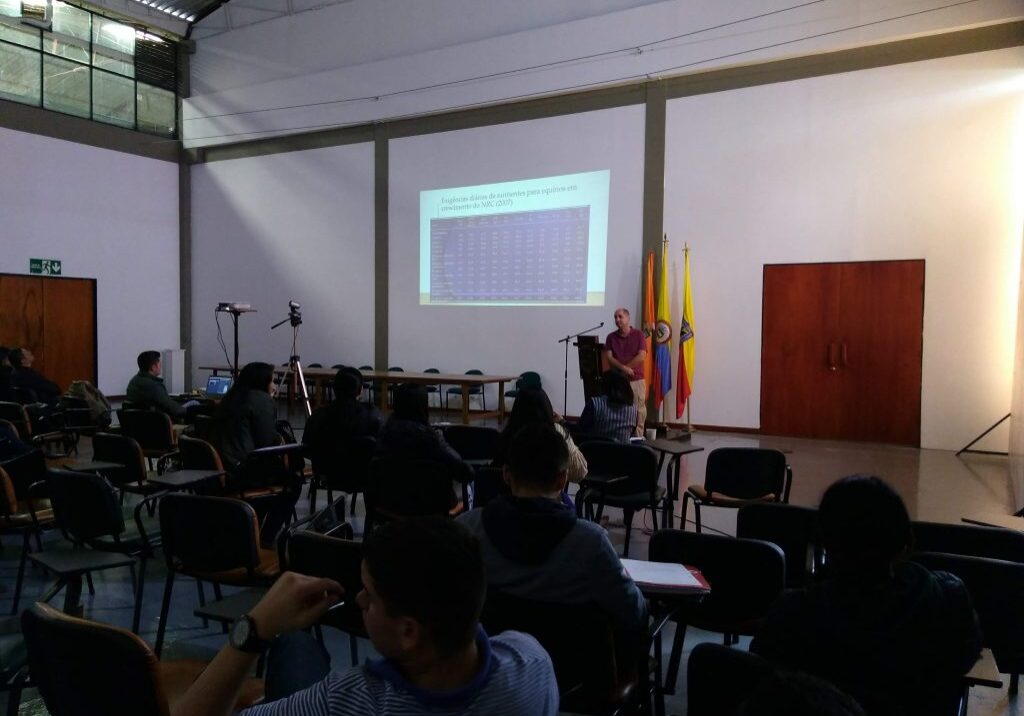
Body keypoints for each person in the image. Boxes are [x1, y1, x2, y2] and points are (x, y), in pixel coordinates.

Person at [172, 517, 559, 716]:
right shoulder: (532, 662)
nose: (358, 599)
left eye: (370, 597)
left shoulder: (347, 701)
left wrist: (254, 629)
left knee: (292, 644)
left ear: (409, 632)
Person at [751, 475, 982, 716]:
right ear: (904, 542)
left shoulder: (792, 614)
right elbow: (964, 660)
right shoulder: (949, 600)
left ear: (826, 544)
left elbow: (766, 679)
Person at [459, 423, 647, 640]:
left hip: (495, 663)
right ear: (562, 479)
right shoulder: (592, 544)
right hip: (573, 671)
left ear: (506, 475)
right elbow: (635, 613)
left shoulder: (467, 530)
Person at [214, 361, 299, 546]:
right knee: (293, 482)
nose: (275, 385)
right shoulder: (261, 400)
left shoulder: (229, 398)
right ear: (262, 383)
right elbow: (267, 441)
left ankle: (251, 526)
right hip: (242, 469)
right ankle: (266, 538)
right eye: (273, 381)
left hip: (220, 467)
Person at [494, 387, 587, 485]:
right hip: (547, 494)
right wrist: (567, 436)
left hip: (508, 496)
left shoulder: (508, 433)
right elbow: (580, 472)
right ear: (548, 408)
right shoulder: (557, 431)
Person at [302, 366, 383, 455]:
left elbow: (306, 449)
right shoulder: (372, 415)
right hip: (362, 468)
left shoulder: (317, 416)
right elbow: (382, 448)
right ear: (360, 391)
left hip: (326, 468)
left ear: (334, 389)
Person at [603, 308, 647, 437]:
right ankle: (621, 437)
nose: (617, 320)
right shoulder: (611, 337)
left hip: (636, 380)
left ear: (628, 318)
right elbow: (610, 358)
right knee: (618, 410)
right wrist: (624, 369)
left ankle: (638, 439)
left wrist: (626, 368)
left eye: (620, 317)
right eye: (615, 317)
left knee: (638, 411)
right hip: (617, 381)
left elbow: (642, 355)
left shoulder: (638, 334)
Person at [577, 370, 638, 444]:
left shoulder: (594, 404)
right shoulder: (634, 410)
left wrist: (563, 422)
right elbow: (631, 433)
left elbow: (581, 432)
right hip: (624, 454)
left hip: (596, 453)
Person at [125, 350, 187, 420]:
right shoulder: (154, 386)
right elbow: (174, 409)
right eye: (159, 364)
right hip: (159, 423)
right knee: (194, 403)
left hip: (139, 423)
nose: (161, 367)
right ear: (153, 367)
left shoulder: (133, 381)